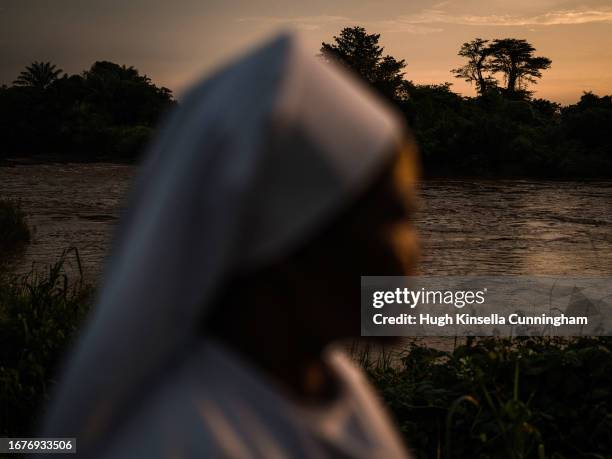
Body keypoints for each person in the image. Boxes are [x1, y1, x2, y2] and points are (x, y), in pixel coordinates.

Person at [42, 32, 419, 458]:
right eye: (396, 220)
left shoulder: (329, 383)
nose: (414, 252)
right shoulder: (180, 439)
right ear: (287, 245)